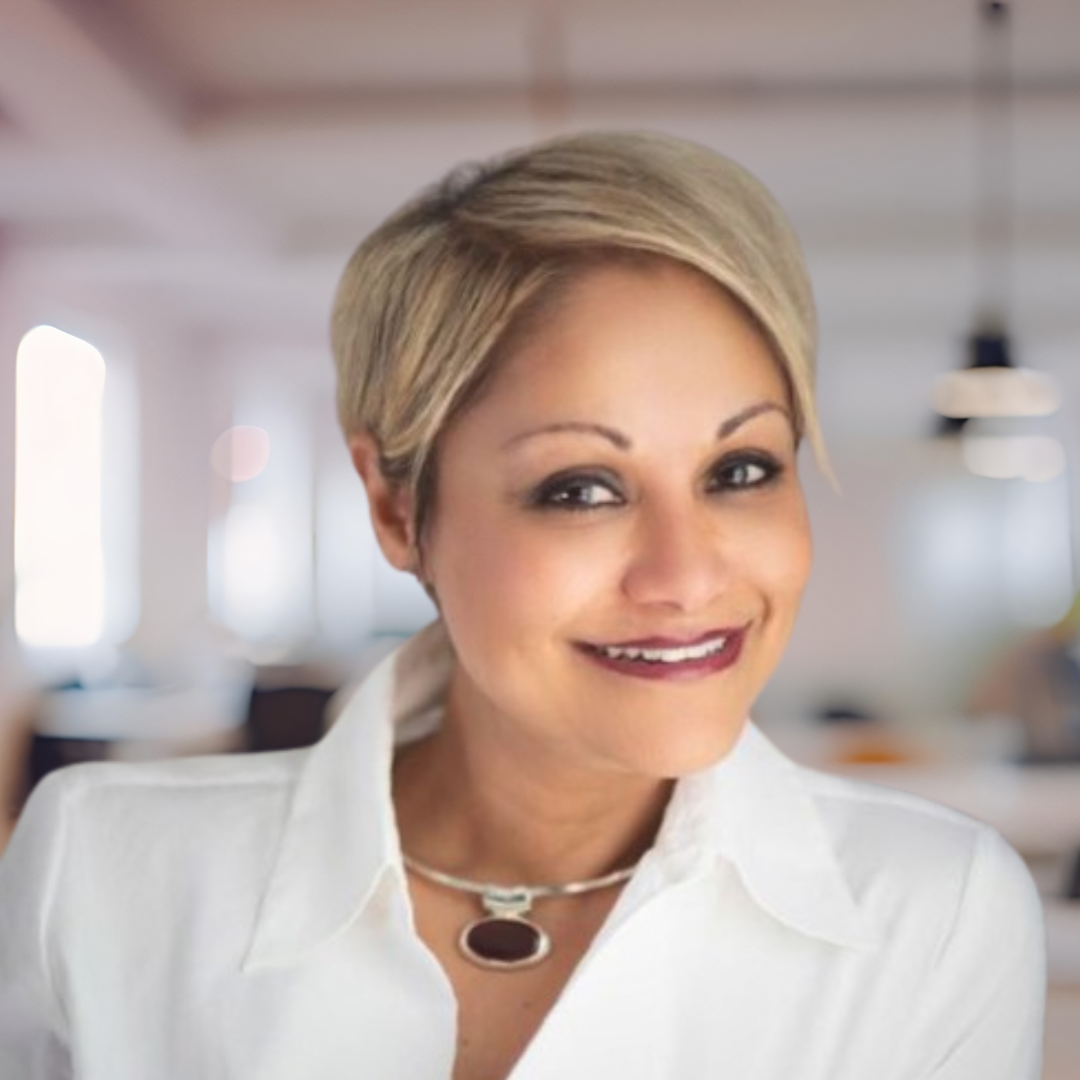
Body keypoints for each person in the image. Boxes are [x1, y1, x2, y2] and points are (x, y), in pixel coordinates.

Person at [0, 131, 1044, 1079]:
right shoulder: (100, 874)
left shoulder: (937, 915)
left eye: (740, 469)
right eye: (579, 489)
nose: (685, 577)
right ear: (399, 510)